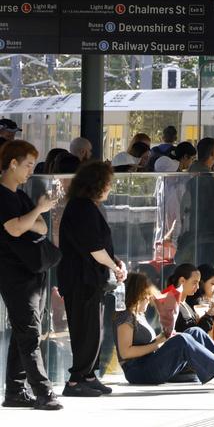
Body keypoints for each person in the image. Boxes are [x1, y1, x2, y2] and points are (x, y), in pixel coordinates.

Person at [0, 140, 61, 410]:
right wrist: (36, 211)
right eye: (27, 165)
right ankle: (43, 391)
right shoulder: (2, 196)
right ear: (12, 163)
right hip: (13, 274)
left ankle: (15, 389)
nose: (29, 171)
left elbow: (42, 228)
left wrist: (33, 217)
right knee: (30, 332)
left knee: (23, 330)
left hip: (31, 271)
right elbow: (15, 228)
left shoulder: (20, 196)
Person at [57, 161, 126, 397]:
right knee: (86, 330)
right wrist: (114, 267)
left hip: (88, 279)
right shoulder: (82, 208)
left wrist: (115, 263)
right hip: (81, 280)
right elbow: (94, 248)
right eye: (107, 183)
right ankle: (77, 380)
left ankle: (87, 375)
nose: (109, 188)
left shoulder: (84, 207)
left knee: (94, 330)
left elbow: (98, 246)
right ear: (96, 184)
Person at [113, 273, 214, 385]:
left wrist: (163, 337)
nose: (149, 301)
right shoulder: (125, 317)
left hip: (149, 363)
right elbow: (125, 353)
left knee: (194, 332)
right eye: (146, 298)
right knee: (182, 339)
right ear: (137, 296)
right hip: (138, 371)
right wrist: (157, 343)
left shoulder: (139, 315)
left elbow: (146, 345)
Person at [176, 137, 214, 267]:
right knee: (204, 272)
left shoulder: (190, 174)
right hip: (205, 235)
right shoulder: (207, 179)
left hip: (191, 234)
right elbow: (212, 209)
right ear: (212, 153)